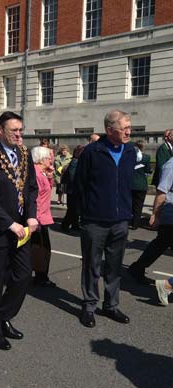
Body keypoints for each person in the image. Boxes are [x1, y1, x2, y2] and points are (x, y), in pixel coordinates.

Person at [0, 111, 38, 350]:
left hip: (22, 229)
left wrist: (31, 215)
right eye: (14, 130)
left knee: (22, 275)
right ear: (0, 130)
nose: (19, 134)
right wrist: (8, 223)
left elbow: (31, 188)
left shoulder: (24, 153)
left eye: (21, 130)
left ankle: (1, 316)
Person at [75, 109, 136, 328]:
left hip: (121, 220)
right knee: (91, 265)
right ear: (110, 130)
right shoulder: (92, 152)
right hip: (95, 220)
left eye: (130, 127)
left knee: (114, 265)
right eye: (124, 128)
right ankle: (89, 305)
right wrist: (86, 213)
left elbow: (129, 185)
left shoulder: (130, 152)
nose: (129, 132)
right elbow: (79, 185)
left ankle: (111, 306)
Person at [128, 157, 173, 285]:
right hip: (170, 215)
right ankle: (166, 286)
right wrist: (156, 214)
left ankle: (137, 268)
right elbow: (162, 192)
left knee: (159, 244)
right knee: (160, 244)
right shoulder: (171, 165)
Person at [30, 146, 56, 287]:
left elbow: (47, 191)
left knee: (42, 249)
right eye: (48, 158)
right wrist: (37, 218)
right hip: (39, 217)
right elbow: (36, 197)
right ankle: (40, 277)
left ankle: (41, 276)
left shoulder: (41, 172)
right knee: (41, 249)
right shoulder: (36, 174)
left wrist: (50, 177)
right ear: (40, 159)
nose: (50, 160)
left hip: (43, 215)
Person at [61, 145, 85, 232]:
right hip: (73, 190)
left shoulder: (78, 161)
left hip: (75, 190)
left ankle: (74, 225)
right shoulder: (75, 161)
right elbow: (72, 176)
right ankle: (65, 225)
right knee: (72, 209)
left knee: (75, 209)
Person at [131, 140, 151, 230]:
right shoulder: (146, 157)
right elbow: (148, 170)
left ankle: (130, 220)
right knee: (139, 205)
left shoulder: (130, 157)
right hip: (141, 184)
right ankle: (135, 224)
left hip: (131, 183)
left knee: (131, 204)